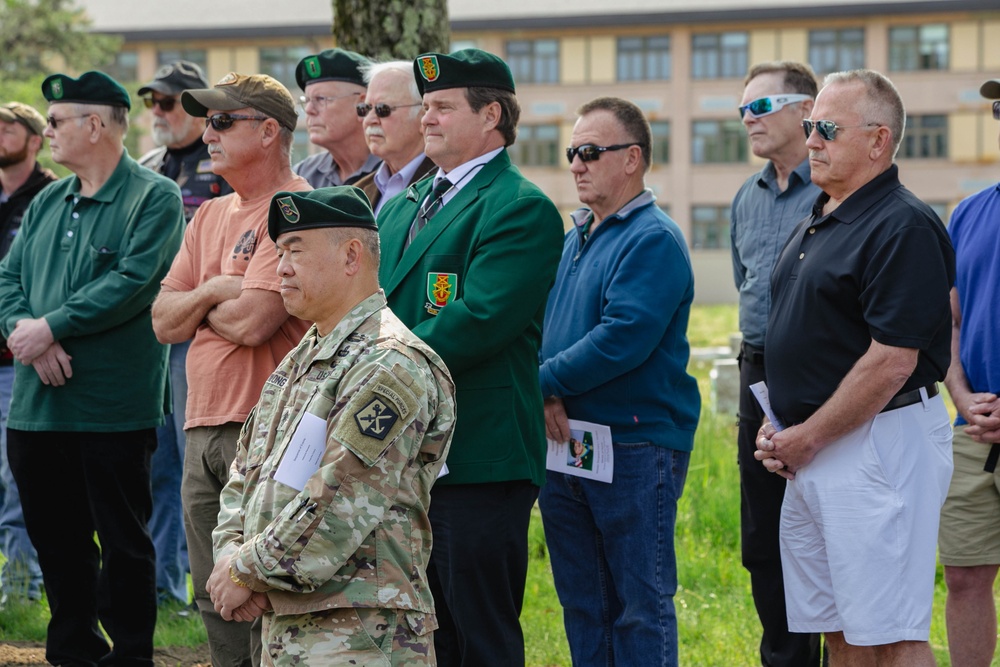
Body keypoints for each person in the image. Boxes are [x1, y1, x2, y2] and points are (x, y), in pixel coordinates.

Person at [207, 187, 456, 666]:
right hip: (293, 624)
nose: (280, 267)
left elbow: (339, 500)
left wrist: (244, 570)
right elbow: (247, 473)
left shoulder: (389, 363)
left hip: (362, 632)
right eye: (280, 253)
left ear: (350, 256)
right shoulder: (304, 357)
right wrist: (230, 557)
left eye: (295, 252)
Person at [756, 69, 954, 666]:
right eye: (810, 125)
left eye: (826, 129)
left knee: (889, 631)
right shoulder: (820, 215)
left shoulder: (902, 224)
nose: (810, 139)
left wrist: (806, 437)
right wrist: (781, 426)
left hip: (876, 448)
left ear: (877, 140)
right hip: (815, 450)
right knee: (838, 628)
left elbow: (892, 360)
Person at [377, 48, 564, 667]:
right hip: (411, 451)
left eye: (442, 107)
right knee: (427, 630)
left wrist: (372, 363)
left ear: (491, 116)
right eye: (425, 106)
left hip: (479, 453)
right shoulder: (406, 201)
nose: (426, 119)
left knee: (479, 631)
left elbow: (479, 318)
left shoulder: (518, 206)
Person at [0, 71, 185, 666]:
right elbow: (8, 280)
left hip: (113, 405)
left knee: (125, 542)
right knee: (57, 540)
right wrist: (29, 334)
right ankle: (73, 649)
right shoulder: (49, 199)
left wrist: (52, 326)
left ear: (96, 124)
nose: (47, 130)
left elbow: (134, 283)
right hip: (37, 406)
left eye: (55, 122)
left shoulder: (152, 197)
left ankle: (130, 654)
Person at [151, 72, 311, 667]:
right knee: (211, 593)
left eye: (222, 121)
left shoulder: (297, 207)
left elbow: (253, 322)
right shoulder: (210, 213)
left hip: (267, 428)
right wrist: (219, 288)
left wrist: (200, 303)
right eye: (207, 122)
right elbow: (162, 321)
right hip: (202, 425)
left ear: (269, 131)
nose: (207, 133)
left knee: (266, 592)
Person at [537, 96, 700, 667]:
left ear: (631, 159)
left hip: (634, 445)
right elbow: (545, 323)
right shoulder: (576, 235)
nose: (576, 163)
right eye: (571, 152)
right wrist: (549, 391)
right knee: (584, 602)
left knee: (639, 604)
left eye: (589, 151)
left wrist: (541, 383)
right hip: (567, 441)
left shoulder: (651, 238)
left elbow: (622, 337)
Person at [730, 61, 823, 667]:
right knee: (763, 533)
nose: (747, 120)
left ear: (805, 111)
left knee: (823, 529)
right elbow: (747, 284)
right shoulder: (746, 196)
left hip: (825, 376)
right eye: (742, 110)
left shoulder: (841, 189)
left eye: (760, 107)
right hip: (756, 370)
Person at [136, 59, 233, 607]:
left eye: (170, 102)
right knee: (157, 465)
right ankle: (162, 582)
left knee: (197, 463)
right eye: (153, 102)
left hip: (203, 337)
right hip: (152, 333)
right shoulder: (148, 165)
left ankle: (207, 588)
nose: (159, 111)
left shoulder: (222, 167)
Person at [938, 78, 1000, 667]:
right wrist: (959, 392)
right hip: (972, 430)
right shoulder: (969, 213)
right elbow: (950, 324)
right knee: (964, 576)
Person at [0, 101, 54, 606]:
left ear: (35, 138)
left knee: (17, 481)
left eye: (7, 127)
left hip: (20, 363)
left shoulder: (52, 197)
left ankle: (20, 589)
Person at [353, 60, 435, 216]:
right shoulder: (358, 192)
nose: (369, 120)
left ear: (422, 116)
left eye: (382, 109)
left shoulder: (444, 184)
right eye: (365, 109)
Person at [294, 48, 380, 188]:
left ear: (362, 105)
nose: (309, 110)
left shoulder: (393, 170)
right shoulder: (304, 176)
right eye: (306, 100)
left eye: (321, 99)